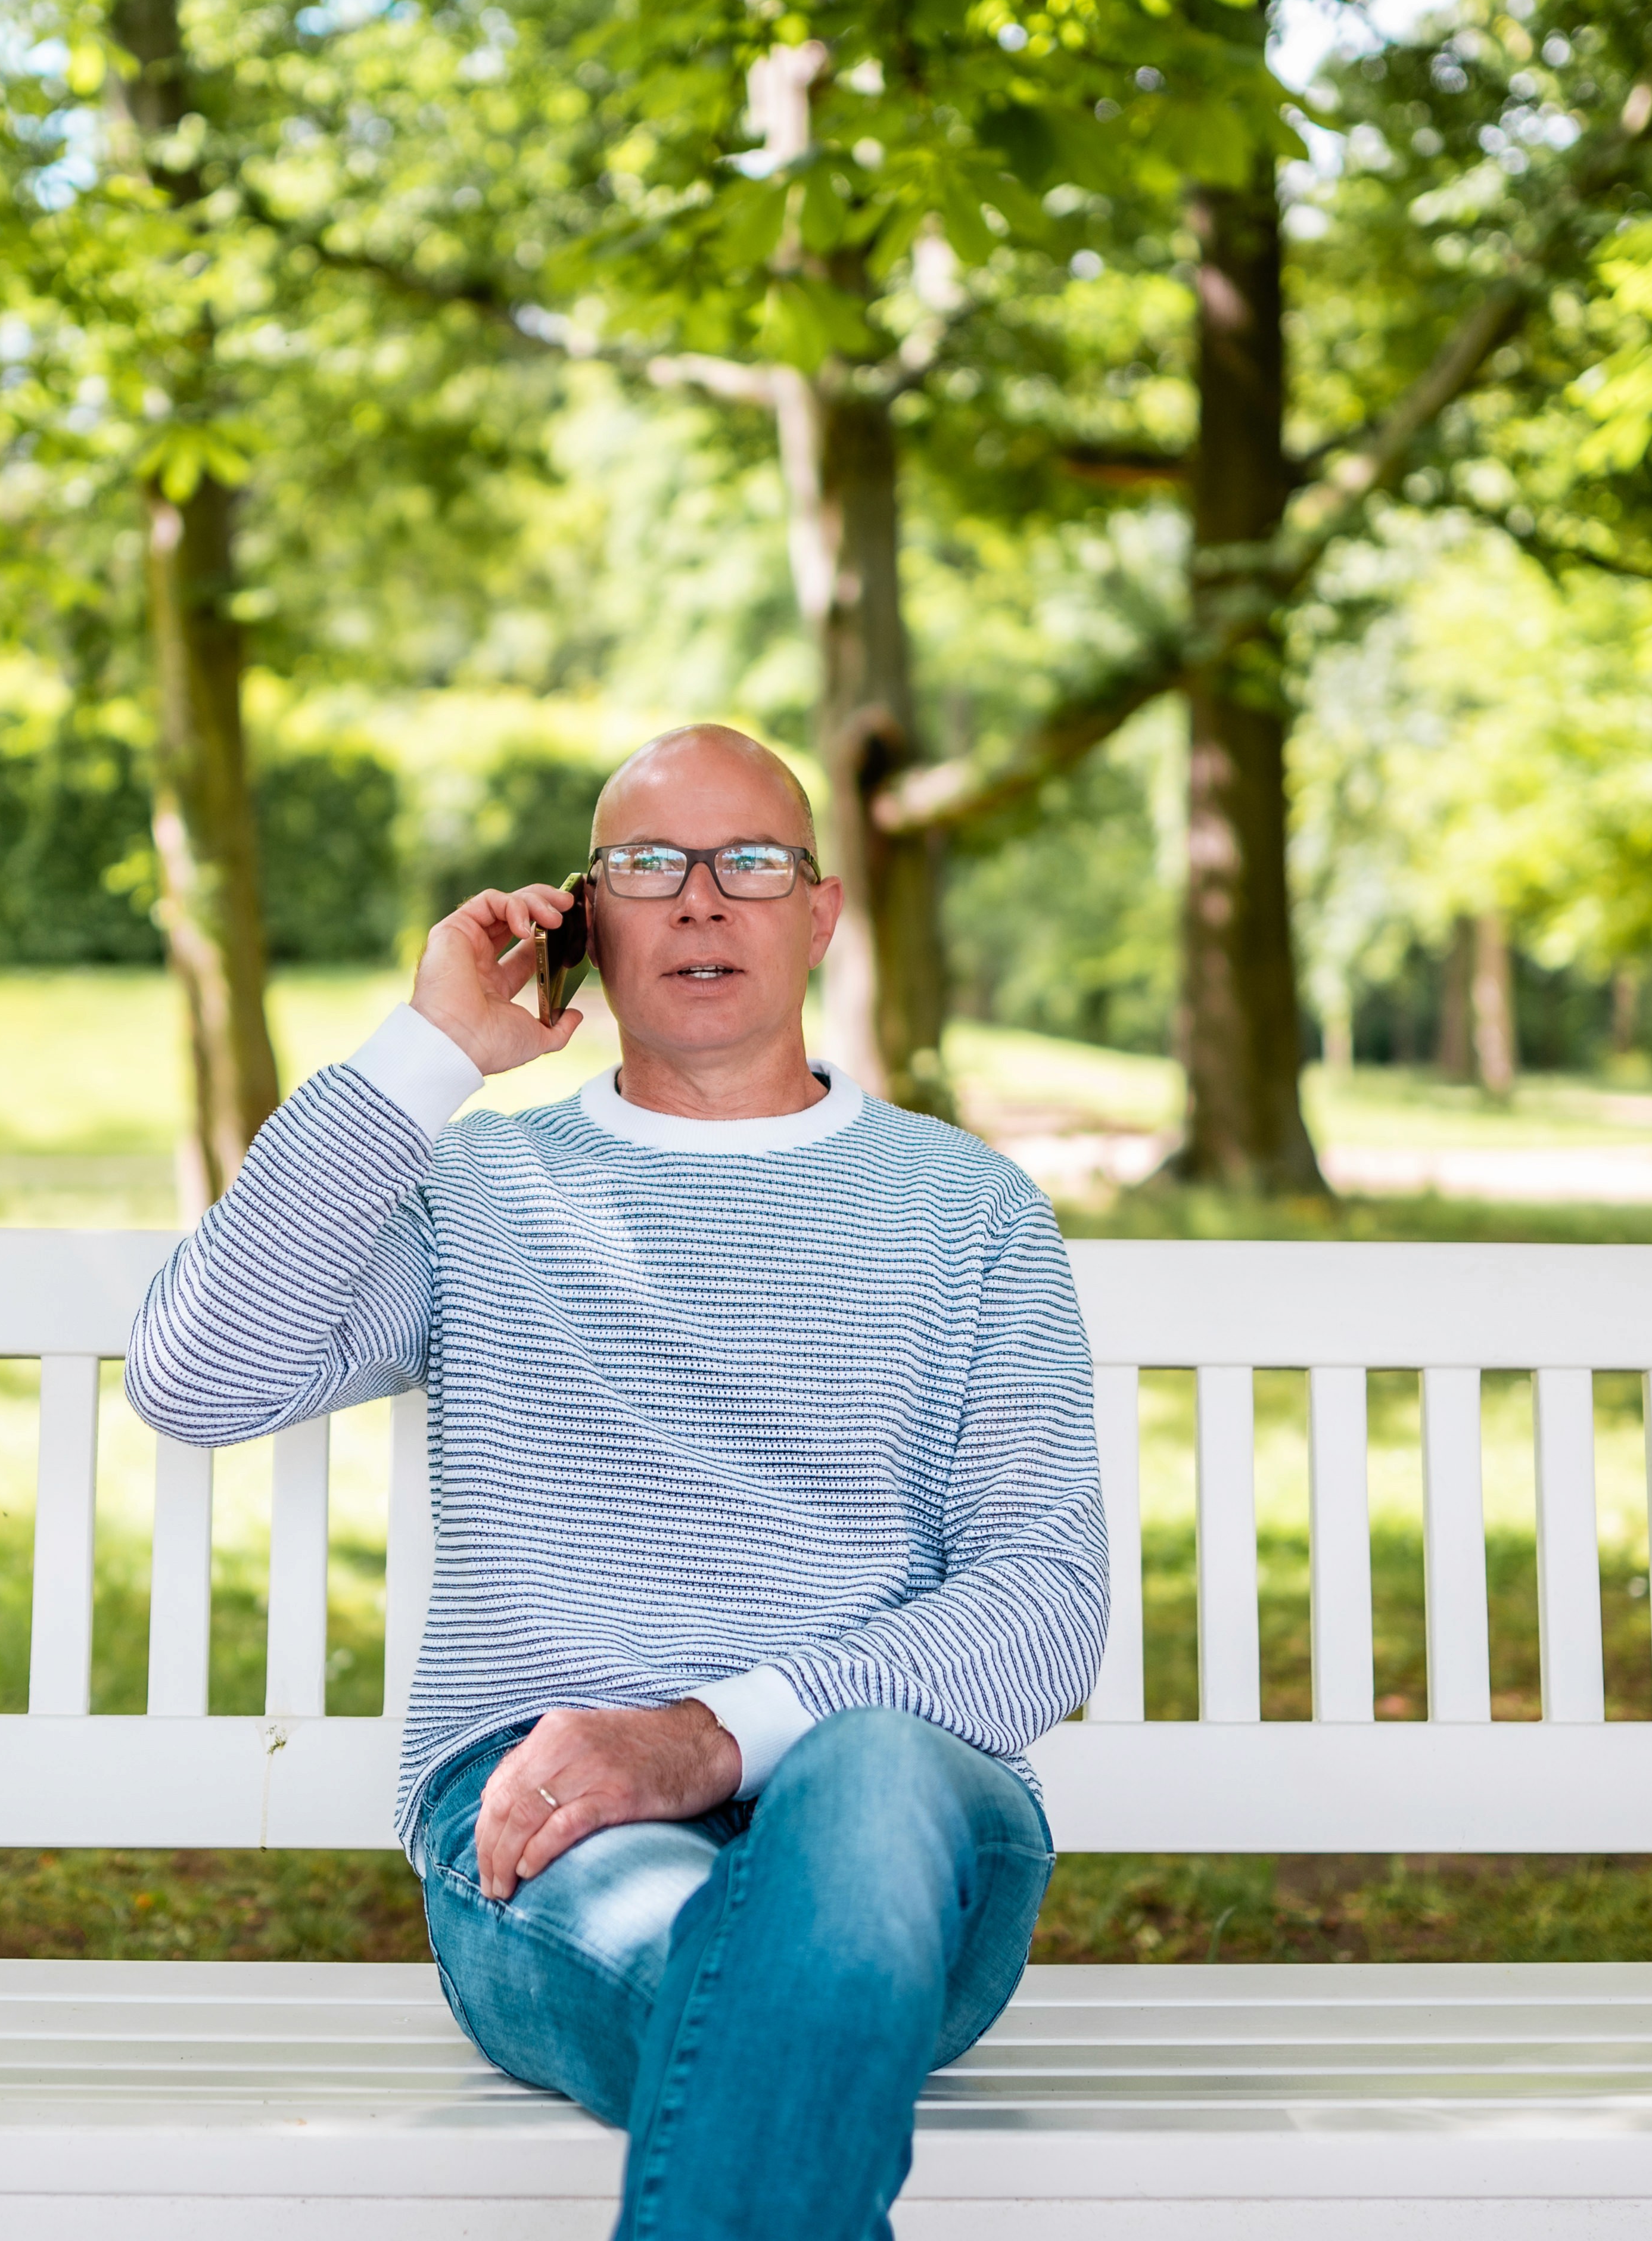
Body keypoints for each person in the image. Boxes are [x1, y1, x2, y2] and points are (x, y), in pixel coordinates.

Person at [124, 723, 1107, 2240]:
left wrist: (708, 1737)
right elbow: (197, 1375)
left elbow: (1044, 1598)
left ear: (821, 914)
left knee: (870, 1770)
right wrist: (428, 1054)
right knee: (748, 1972)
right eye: (650, 865)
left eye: (752, 862)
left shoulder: (965, 1207)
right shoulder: (478, 1191)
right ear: (583, 919)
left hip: (899, 1828)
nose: (702, 898)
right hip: (553, 1818)